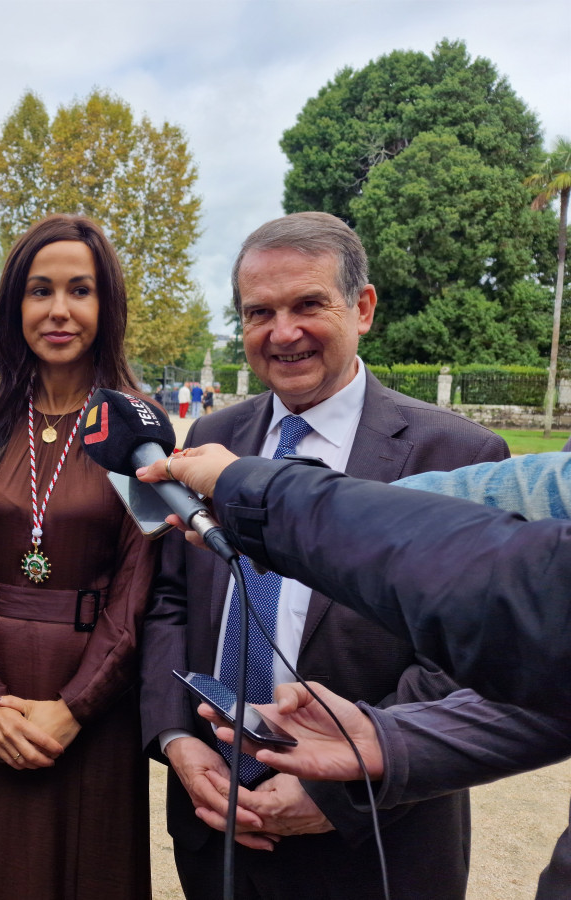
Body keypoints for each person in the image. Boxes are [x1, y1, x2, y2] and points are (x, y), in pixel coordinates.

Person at [139, 211, 510, 900]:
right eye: (260, 312)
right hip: (213, 821)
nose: (283, 333)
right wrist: (174, 740)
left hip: (374, 844)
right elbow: (170, 597)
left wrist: (336, 791)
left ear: (362, 307)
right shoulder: (215, 434)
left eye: (309, 304)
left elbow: (469, 661)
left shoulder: (456, 457)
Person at [139, 445, 571, 897]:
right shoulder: (214, 434)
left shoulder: (457, 443)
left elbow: (516, 611)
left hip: (369, 851)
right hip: (215, 840)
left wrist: (265, 504)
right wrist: (385, 740)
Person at [0, 215, 159, 899]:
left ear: (104, 306)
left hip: (90, 694)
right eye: (39, 290)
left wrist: (74, 707)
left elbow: (138, 587)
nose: (58, 310)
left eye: (79, 290)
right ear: (14, 305)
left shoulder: (136, 426)